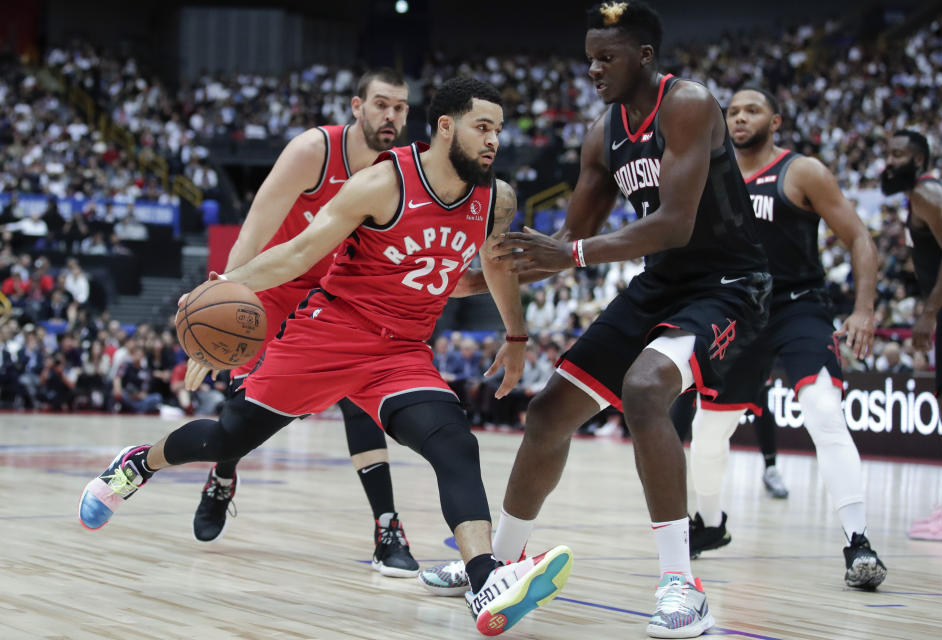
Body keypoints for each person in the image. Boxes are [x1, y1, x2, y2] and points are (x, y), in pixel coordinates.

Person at [78, 77, 572, 636]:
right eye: (483, 128)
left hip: (401, 352)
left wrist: (516, 336)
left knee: (454, 442)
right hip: (330, 334)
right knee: (226, 438)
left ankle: (485, 580)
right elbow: (296, 253)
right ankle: (138, 464)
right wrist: (220, 285)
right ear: (445, 127)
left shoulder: (496, 199)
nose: (493, 142)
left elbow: (485, 270)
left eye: (498, 131)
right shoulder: (381, 183)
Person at [425, 4, 770, 637]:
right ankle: (499, 562)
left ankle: (680, 585)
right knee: (548, 413)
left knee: (644, 390)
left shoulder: (689, 104)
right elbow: (570, 237)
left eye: (606, 57)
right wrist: (477, 278)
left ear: (644, 56)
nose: (592, 68)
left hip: (728, 286)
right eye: (589, 56)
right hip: (660, 285)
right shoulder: (600, 132)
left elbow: (675, 224)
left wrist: (574, 253)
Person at [182, 69, 420, 577]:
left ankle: (387, 527)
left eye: (400, 108)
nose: (391, 116)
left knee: (362, 404)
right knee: (246, 409)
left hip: (338, 295)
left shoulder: (401, 169)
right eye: (382, 104)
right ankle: (223, 476)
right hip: (273, 286)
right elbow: (255, 228)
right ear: (357, 106)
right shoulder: (313, 151)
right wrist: (218, 294)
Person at [682, 88, 886, 588]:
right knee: (708, 432)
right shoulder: (712, 176)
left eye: (751, 110)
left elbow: (859, 237)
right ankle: (709, 526)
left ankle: (858, 542)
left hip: (799, 308)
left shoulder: (803, 171)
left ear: (775, 120)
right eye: (731, 112)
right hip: (739, 311)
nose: (739, 118)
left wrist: (863, 309)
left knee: (822, 411)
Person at [882, 130, 942, 541]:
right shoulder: (920, 197)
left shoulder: (928, 194)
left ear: (918, 159)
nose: (889, 162)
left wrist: (929, 313)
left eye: (898, 155)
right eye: (888, 154)